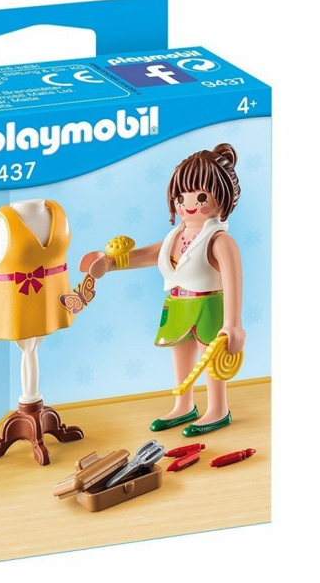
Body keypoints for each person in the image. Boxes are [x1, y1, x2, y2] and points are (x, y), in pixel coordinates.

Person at [79, 143, 245, 436]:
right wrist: (110, 263)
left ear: (223, 198)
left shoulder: (220, 240)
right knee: (179, 355)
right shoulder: (175, 236)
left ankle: (218, 408)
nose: (188, 204)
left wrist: (233, 324)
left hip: (208, 306)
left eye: (201, 197)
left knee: (212, 360)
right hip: (177, 305)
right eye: (181, 197)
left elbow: (233, 282)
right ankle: (184, 404)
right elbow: (148, 254)